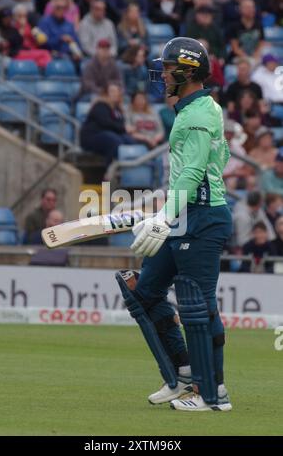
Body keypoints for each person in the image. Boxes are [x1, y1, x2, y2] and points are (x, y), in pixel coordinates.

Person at [116, 37, 233, 411]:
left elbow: (197, 170)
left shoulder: (199, 113)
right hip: (186, 214)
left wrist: (166, 216)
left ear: (186, 72)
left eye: (168, 68)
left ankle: (212, 393)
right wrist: (163, 211)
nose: (162, 74)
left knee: (197, 306)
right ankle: (182, 373)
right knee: (143, 292)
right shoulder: (195, 109)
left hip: (203, 217)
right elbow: (214, 160)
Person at [80, 82, 139, 165]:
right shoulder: (100, 105)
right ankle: (110, 171)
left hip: (109, 134)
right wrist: (124, 128)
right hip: (92, 136)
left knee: (129, 140)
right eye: (112, 91)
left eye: (116, 91)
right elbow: (106, 123)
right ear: (105, 93)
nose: (115, 93)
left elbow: (119, 124)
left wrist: (128, 129)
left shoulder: (118, 109)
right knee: (114, 140)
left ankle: (130, 169)